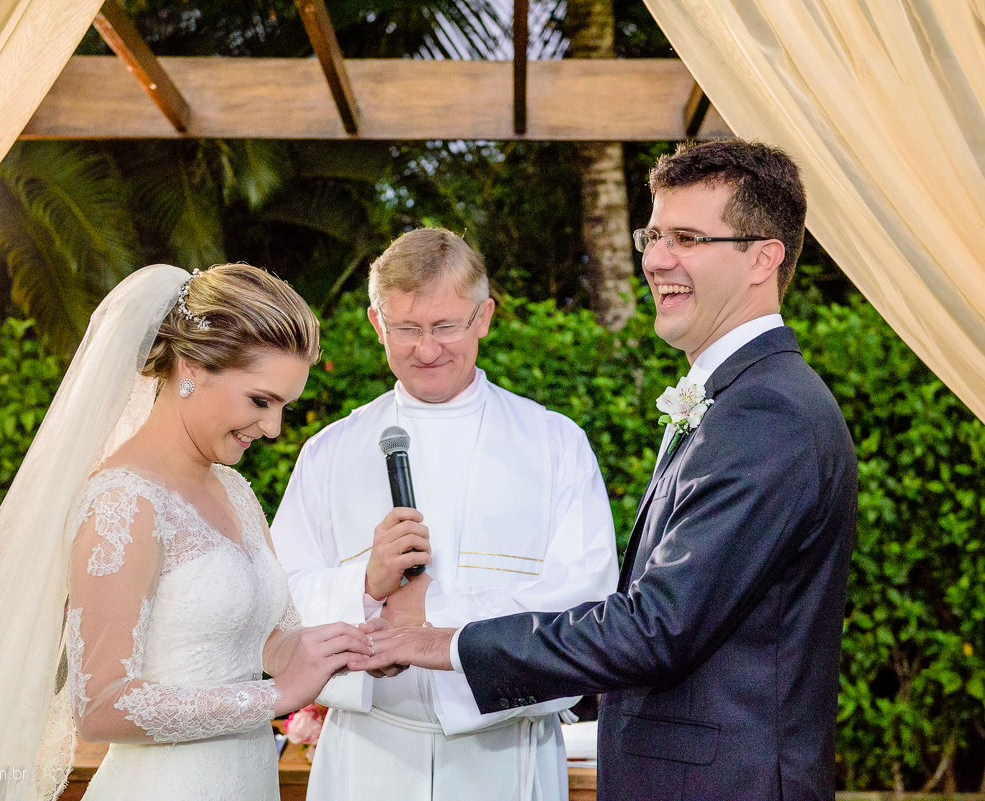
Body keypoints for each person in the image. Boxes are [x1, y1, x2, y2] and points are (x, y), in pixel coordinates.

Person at [353, 140, 858, 801]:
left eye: (686, 237)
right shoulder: (742, 396)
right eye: (653, 234)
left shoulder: (767, 410)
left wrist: (439, 641)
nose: (655, 258)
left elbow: (656, 628)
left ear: (764, 256)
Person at [0, 263, 371, 801]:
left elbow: (273, 643)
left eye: (283, 407)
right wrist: (270, 700)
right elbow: (102, 705)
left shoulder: (236, 491)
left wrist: (355, 645)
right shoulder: (124, 501)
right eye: (260, 401)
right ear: (191, 366)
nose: (272, 428)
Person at [270, 228, 619, 801]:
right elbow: (277, 598)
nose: (426, 350)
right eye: (406, 329)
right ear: (377, 325)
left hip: (506, 749)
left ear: (484, 316)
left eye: (445, 327)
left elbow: (585, 602)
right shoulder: (331, 450)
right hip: (369, 752)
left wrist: (433, 612)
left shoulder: (554, 441)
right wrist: (362, 585)